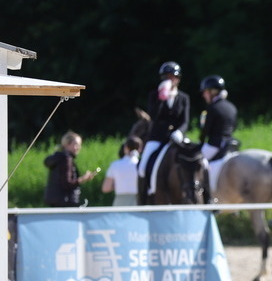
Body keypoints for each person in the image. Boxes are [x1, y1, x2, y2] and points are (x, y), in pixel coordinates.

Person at [137, 61, 190, 202]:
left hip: (177, 137)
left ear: (178, 79)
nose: (170, 79)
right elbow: (154, 116)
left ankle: (203, 195)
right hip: (158, 137)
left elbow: (185, 121)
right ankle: (144, 198)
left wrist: (179, 132)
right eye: (167, 77)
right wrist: (162, 97)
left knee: (198, 160)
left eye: (173, 77)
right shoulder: (154, 95)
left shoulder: (184, 98)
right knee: (143, 167)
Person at [199, 74, 238, 191]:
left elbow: (206, 131)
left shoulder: (212, 108)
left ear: (212, 92)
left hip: (215, 144)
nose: (203, 94)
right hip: (231, 143)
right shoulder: (232, 107)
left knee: (195, 163)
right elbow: (234, 126)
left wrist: (199, 144)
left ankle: (203, 190)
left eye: (205, 91)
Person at [43, 131, 96, 207]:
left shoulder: (58, 158)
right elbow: (67, 184)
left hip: (57, 201)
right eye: (76, 145)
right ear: (66, 145)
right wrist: (83, 179)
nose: (78, 148)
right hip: (66, 202)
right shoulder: (66, 159)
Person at [102, 136, 142, 206]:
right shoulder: (142, 166)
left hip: (120, 202)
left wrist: (118, 183)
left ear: (126, 147)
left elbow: (106, 188)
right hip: (137, 201)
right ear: (140, 149)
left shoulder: (115, 165)